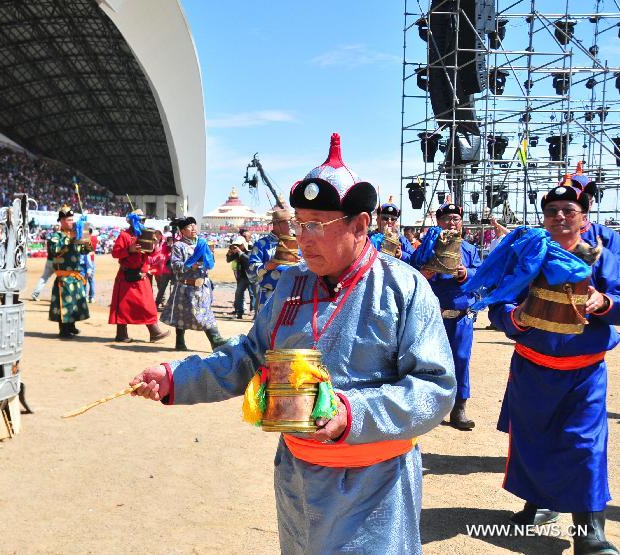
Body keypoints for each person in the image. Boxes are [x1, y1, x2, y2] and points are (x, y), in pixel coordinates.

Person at [131, 133, 455, 553]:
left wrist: (352, 414)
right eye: (300, 223)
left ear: (360, 225)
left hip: (374, 486)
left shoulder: (402, 288)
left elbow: (434, 388)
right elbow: (249, 355)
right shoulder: (290, 284)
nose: (303, 237)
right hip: (298, 476)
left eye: (317, 225)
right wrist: (177, 377)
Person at [472, 181, 618, 554]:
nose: (560, 217)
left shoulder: (603, 252)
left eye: (569, 210)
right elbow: (499, 300)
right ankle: (539, 504)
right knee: (533, 442)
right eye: (552, 211)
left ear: (584, 216)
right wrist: (516, 316)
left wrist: (602, 302)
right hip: (533, 368)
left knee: (584, 446)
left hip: (583, 373)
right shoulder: (527, 248)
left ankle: (589, 532)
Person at [417, 203, 481, 430]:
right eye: (446, 219)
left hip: (461, 318)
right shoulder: (427, 248)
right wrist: (425, 273)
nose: (451, 223)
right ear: (438, 222)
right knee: (429, 361)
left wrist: (466, 274)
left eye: (455, 219)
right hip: (433, 317)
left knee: (461, 361)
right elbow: (411, 271)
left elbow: (482, 275)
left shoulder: (469, 250)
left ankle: (459, 408)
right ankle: (428, 407)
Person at [160, 216, 227, 351]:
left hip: (202, 287)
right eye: (189, 226)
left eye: (194, 225)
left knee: (206, 313)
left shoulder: (202, 243)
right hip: (185, 286)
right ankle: (179, 341)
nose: (193, 228)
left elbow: (209, 263)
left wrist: (208, 256)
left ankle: (216, 340)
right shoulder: (179, 246)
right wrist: (191, 265)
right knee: (181, 314)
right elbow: (175, 265)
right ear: (182, 231)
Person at [108, 209, 170, 343]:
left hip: (141, 274)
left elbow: (149, 254)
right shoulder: (124, 235)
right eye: (140, 220)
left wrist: (153, 244)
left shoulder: (145, 234)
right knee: (123, 306)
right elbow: (115, 253)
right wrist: (129, 250)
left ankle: (154, 332)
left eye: (144, 220)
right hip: (126, 275)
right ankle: (121, 334)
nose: (143, 222)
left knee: (147, 304)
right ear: (133, 221)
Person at [46, 205, 89, 338]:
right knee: (65, 304)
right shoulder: (56, 236)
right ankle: (63, 329)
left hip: (75, 275)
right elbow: (55, 251)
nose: (72, 222)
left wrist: (86, 237)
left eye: (72, 219)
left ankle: (72, 326)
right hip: (64, 277)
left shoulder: (75, 235)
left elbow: (85, 251)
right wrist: (70, 240)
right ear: (62, 221)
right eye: (69, 220)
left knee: (75, 303)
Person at [570, 163, 620, 257]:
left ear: (591, 204)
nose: (577, 206)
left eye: (583, 200)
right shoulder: (547, 239)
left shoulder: (609, 237)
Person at [246, 207, 293, 308]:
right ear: (276, 225)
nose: (291, 225)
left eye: (291, 221)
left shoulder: (299, 242)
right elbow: (250, 272)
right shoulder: (262, 244)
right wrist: (267, 266)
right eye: (287, 222)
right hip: (269, 296)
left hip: (295, 297)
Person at [226, 228, 254, 319]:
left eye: (238, 245)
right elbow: (228, 260)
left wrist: (240, 252)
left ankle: (253, 311)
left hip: (252, 275)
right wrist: (230, 253)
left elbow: (249, 260)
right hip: (241, 276)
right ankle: (239, 312)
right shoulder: (236, 250)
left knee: (253, 293)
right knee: (239, 293)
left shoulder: (251, 248)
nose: (236, 246)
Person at [152, 231, 174, 310]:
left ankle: (172, 304)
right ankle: (156, 304)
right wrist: (169, 247)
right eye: (169, 239)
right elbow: (164, 252)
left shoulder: (177, 246)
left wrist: (173, 247)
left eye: (172, 239)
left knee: (175, 288)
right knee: (162, 288)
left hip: (174, 271)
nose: (170, 240)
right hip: (165, 271)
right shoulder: (165, 245)